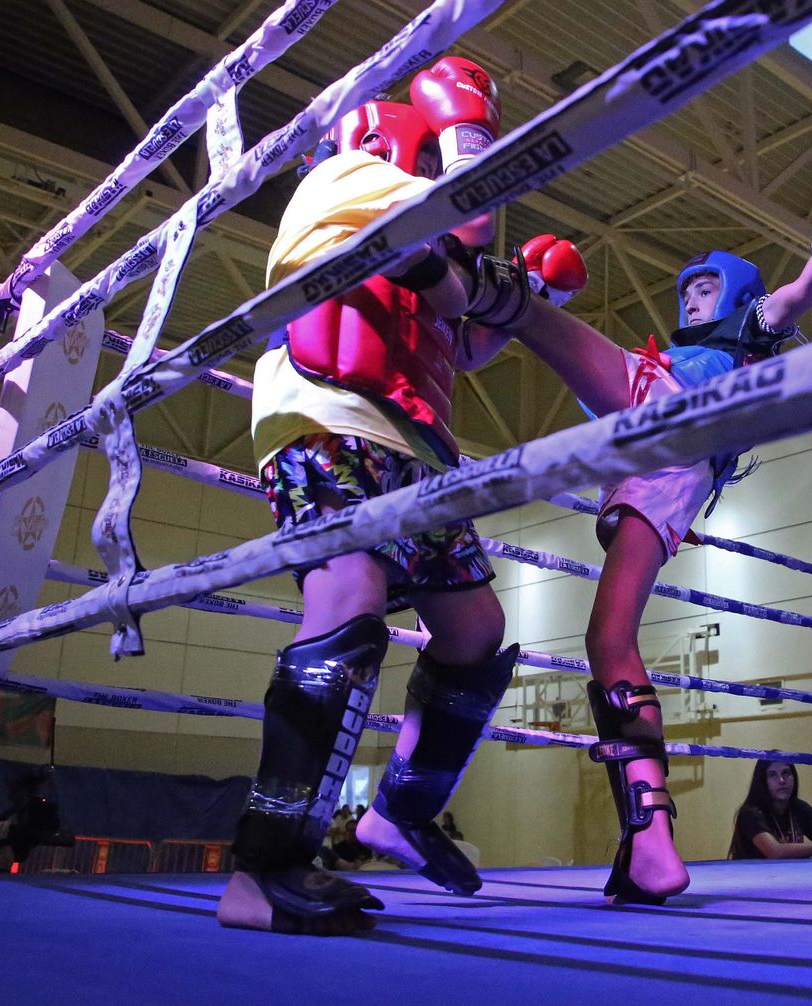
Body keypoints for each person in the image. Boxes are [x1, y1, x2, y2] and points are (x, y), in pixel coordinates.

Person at [498, 150, 812, 903]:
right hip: (662, 474)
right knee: (609, 640)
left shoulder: (739, 339)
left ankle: (471, 284)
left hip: (670, 421)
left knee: (521, 309)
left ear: (732, 294)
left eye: (705, 287)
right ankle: (649, 841)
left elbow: (789, 302)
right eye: (687, 288)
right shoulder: (688, 351)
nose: (692, 299)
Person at [218, 57, 530, 937]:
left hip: (412, 438)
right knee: (349, 596)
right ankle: (264, 867)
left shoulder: (416, 218)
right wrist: (473, 130)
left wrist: (516, 302)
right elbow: (462, 243)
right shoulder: (351, 173)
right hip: (328, 414)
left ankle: (397, 810)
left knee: (473, 630)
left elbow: (458, 337)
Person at [728, 760, 812, 860]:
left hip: (788, 881)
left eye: (786, 773)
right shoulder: (751, 813)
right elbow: (775, 852)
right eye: (773, 775)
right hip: (751, 884)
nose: (781, 780)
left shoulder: (800, 808)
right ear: (762, 781)